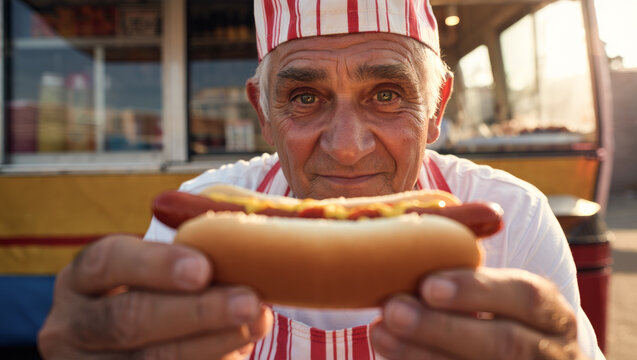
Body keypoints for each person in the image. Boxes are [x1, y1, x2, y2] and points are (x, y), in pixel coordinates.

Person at [38, 1, 604, 359]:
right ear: (263, 114)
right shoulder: (202, 213)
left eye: (387, 95)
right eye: (304, 98)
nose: (348, 147)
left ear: (436, 108)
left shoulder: (511, 217)